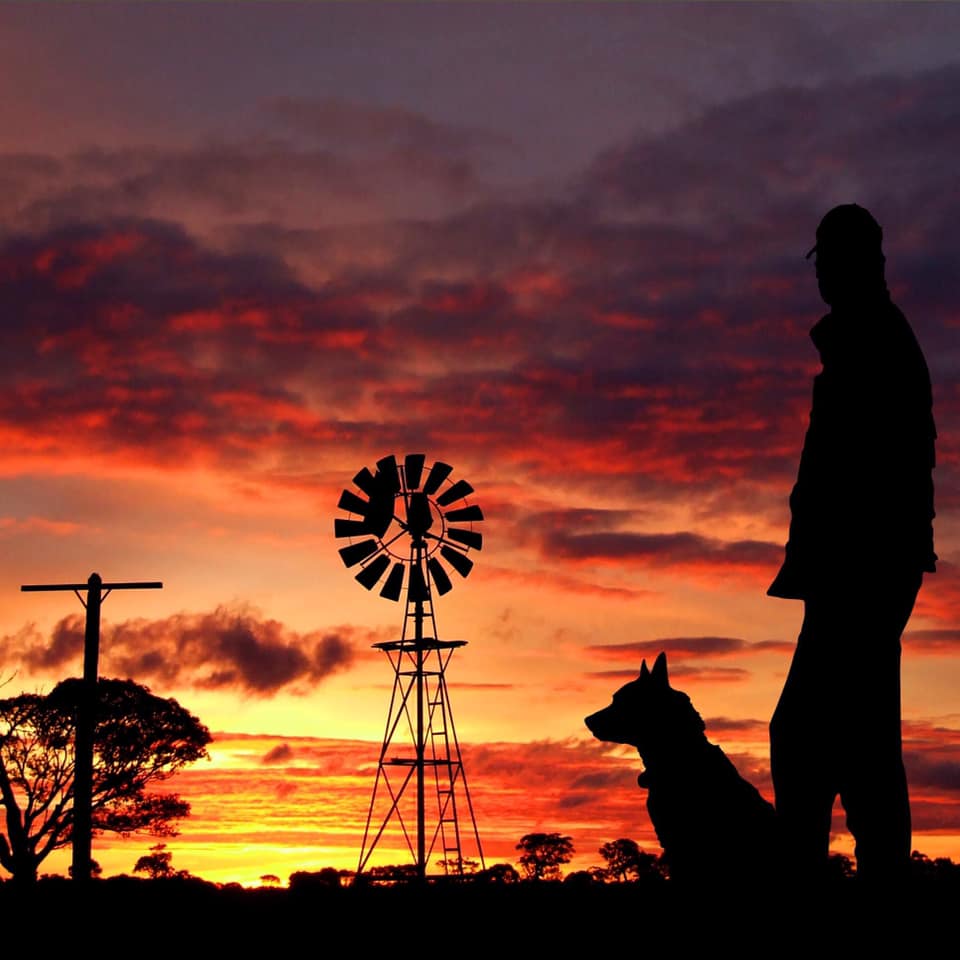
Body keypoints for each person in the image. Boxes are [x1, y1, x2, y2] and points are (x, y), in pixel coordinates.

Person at [767, 204, 936, 882]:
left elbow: (870, 470)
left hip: (858, 575)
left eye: (830, 260)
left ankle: (812, 876)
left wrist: (845, 564)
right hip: (857, 572)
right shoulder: (864, 339)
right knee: (855, 745)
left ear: (860, 263)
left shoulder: (873, 341)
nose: (823, 276)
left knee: (812, 739)